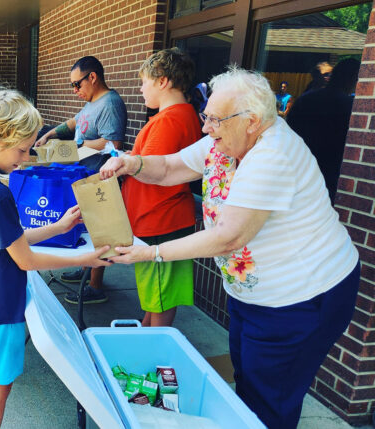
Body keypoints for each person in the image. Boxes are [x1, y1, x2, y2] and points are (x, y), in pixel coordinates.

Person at [100, 66, 360, 429]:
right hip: (255, 296)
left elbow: (229, 237)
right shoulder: (226, 139)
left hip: (302, 298)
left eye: (214, 120)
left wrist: (151, 253)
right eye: (206, 116)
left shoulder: (273, 155)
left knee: (270, 399)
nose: (205, 128)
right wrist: (134, 163)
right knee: (248, 381)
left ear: (251, 121)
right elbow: (171, 167)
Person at [0, 88, 111, 429]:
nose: (24, 158)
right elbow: (26, 260)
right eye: (21, 150)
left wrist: (59, 226)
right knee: (0, 386)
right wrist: (88, 259)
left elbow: (9, 240)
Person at [35, 56, 128, 304]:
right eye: (72, 86)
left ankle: (96, 286)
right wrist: (52, 133)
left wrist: (78, 144)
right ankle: (85, 269)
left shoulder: (111, 103)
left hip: (100, 179)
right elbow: (76, 121)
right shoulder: (92, 103)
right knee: (85, 227)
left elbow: (113, 144)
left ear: (93, 77)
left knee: (102, 232)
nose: (75, 90)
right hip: (83, 176)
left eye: (77, 84)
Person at [122, 48, 201, 327]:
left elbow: (153, 170)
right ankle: (148, 332)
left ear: (163, 81)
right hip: (166, 218)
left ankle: (154, 351)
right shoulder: (184, 114)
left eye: (144, 82)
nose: (141, 89)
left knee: (161, 297)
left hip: (159, 221)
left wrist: (122, 163)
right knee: (156, 293)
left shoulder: (168, 120)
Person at [287, 58, 360, 204]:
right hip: (327, 178)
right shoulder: (349, 108)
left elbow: (288, 133)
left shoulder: (306, 99)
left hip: (296, 172)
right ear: (354, 79)